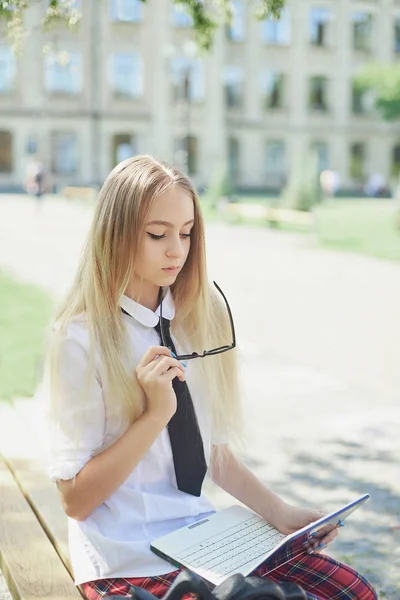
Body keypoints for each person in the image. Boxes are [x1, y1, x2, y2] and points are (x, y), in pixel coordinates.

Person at [43, 155, 377, 600]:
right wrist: (154, 415)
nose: (176, 251)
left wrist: (280, 512)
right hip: (124, 553)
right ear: (116, 233)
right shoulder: (80, 339)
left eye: (186, 234)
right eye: (157, 234)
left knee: (353, 590)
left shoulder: (198, 319)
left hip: (198, 536)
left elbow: (211, 452)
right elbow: (75, 501)